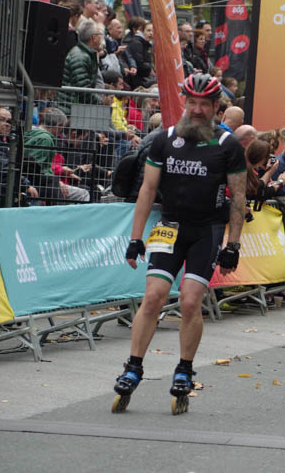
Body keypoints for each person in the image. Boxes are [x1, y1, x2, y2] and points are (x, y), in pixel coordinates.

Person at [113, 73, 247, 415]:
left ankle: (185, 369)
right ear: (184, 103)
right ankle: (133, 366)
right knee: (153, 297)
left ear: (216, 107)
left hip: (206, 231)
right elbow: (147, 190)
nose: (197, 110)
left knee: (189, 302)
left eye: (204, 104)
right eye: (192, 103)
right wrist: (135, 238)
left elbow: (238, 197)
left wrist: (233, 244)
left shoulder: (228, 145)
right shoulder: (165, 139)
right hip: (169, 227)